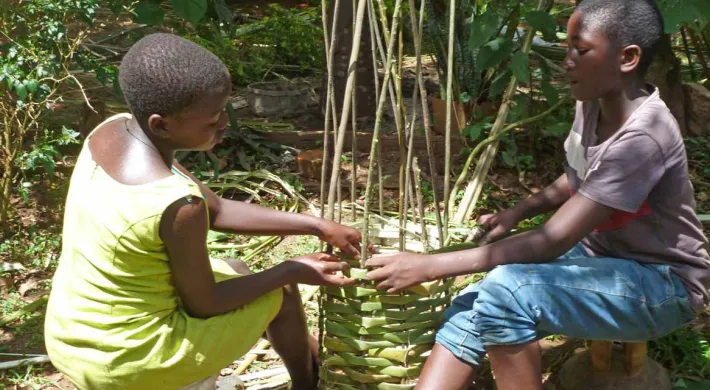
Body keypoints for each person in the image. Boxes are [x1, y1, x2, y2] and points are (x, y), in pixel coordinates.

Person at [365, 1, 710, 389]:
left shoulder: (644, 137)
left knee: (507, 291)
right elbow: (578, 177)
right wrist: (518, 210)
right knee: (475, 300)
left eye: (580, 51)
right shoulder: (593, 101)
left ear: (628, 58)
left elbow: (554, 240)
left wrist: (430, 265)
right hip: (603, 256)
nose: (567, 62)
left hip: (662, 284)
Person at [44, 33, 362, 390]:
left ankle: (309, 364)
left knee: (239, 270)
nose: (225, 122)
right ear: (160, 124)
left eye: (224, 109)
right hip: (132, 358)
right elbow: (205, 305)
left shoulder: (111, 131)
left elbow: (219, 209)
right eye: (211, 120)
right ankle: (308, 384)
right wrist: (291, 268)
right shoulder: (176, 205)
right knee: (281, 290)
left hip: (74, 334)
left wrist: (316, 226)